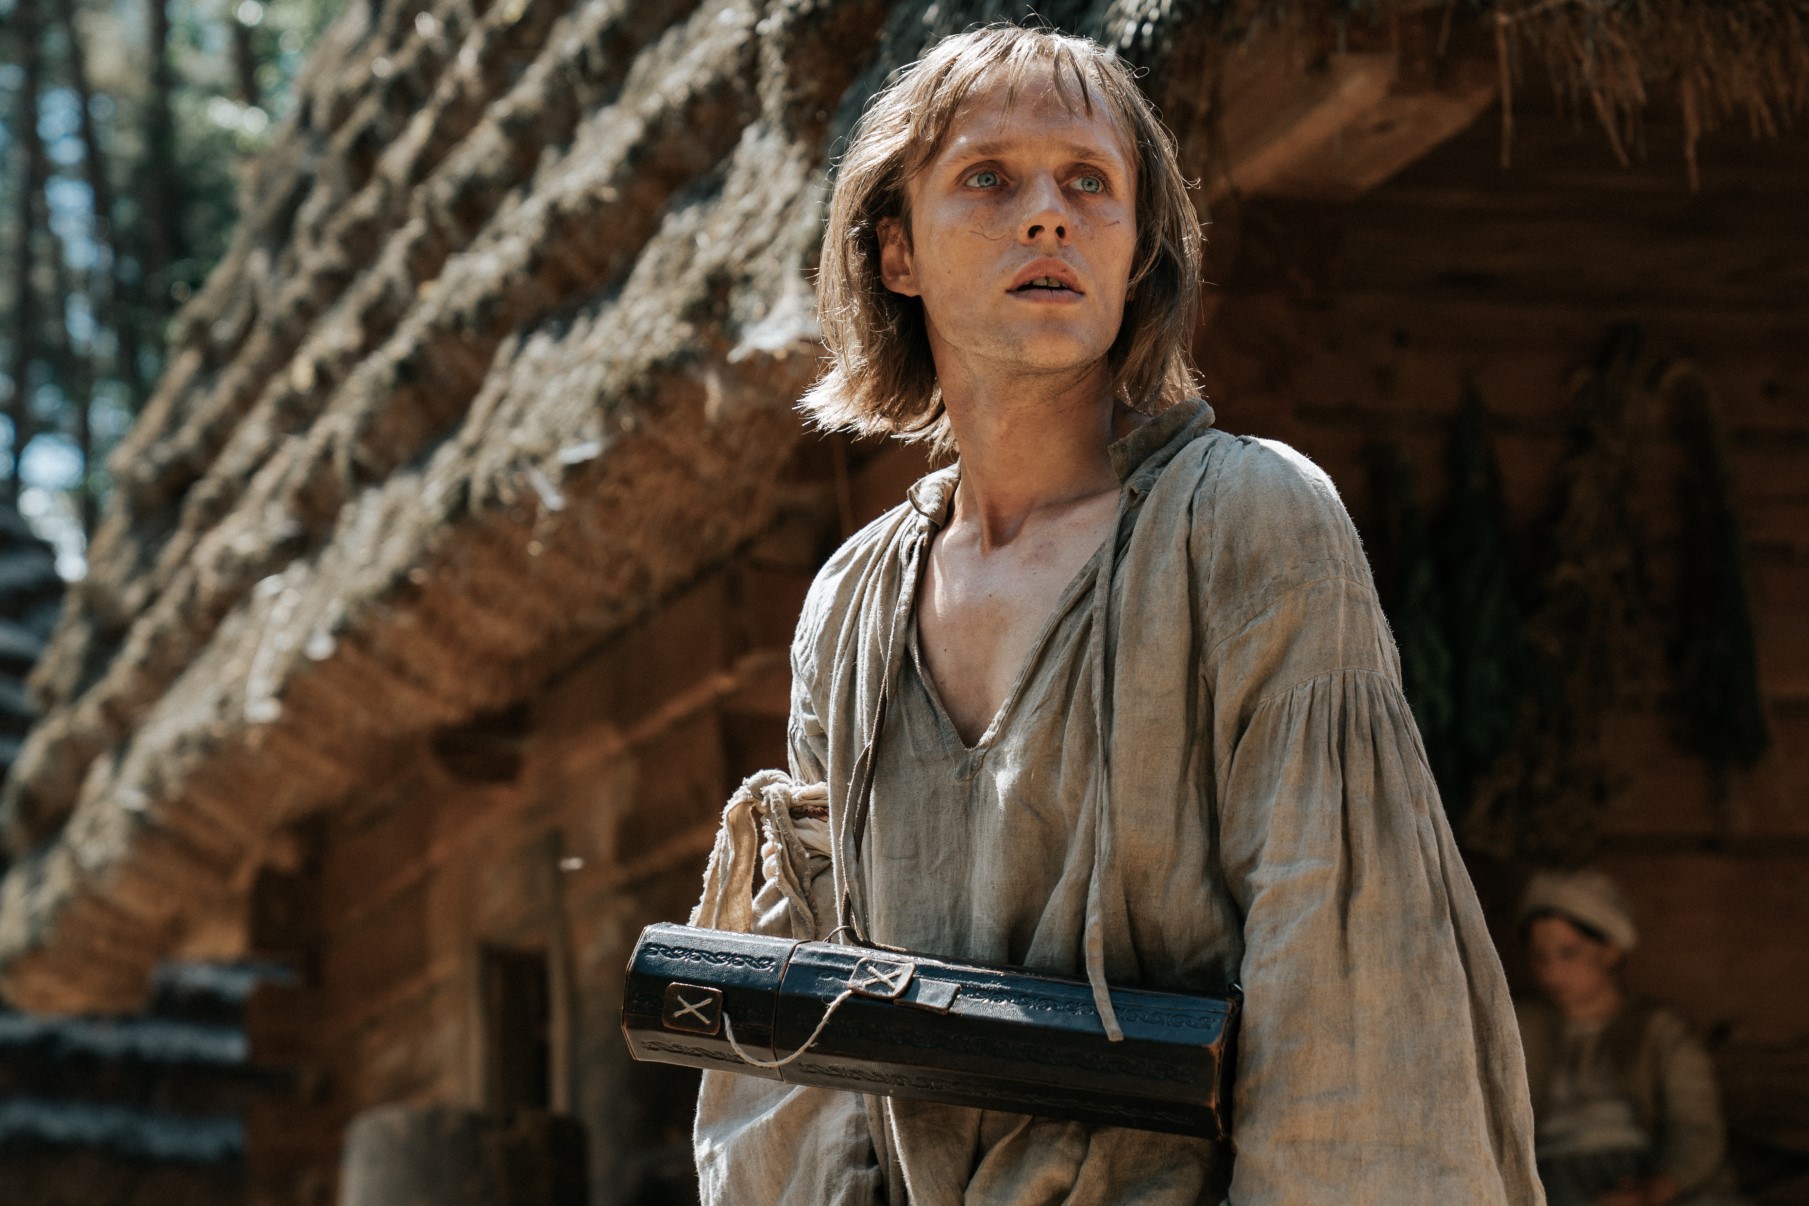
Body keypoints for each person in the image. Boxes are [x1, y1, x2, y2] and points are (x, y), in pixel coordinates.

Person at [691, 23, 1541, 1204]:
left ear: (1137, 250)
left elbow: (1349, 994)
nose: (1049, 216)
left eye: (1090, 182)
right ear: (896, 251)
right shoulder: (854, 608)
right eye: (989, 178)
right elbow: (814, 1053)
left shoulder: (1247, 523)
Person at [1518, 869, 1749, 1206]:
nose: (1551, 971)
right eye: (1540, 956)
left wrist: (1657, 1189)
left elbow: (1696, 1127)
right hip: (1548, 1179)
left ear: (1610, 950)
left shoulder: (1659, 1030)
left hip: (1644, 1175)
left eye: (1568, 953)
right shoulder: (1521, 1028)